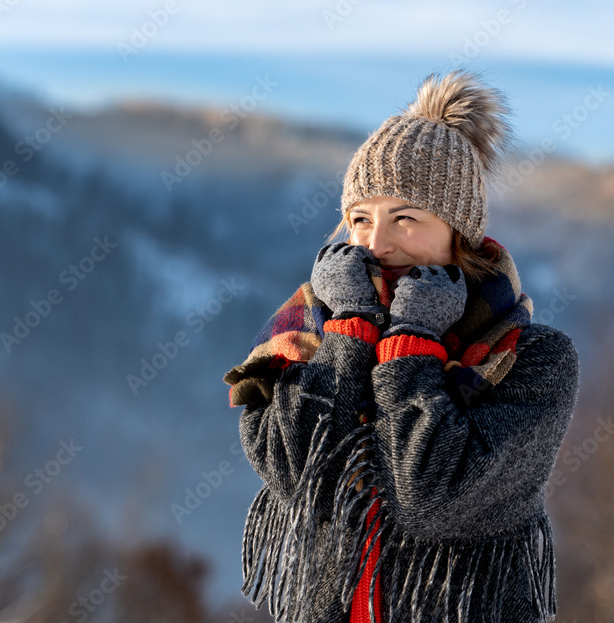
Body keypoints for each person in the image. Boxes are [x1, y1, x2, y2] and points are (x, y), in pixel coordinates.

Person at [223, 69, 580, 623]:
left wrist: (410, 346)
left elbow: (432, 502)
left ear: (459, 234)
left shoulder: (532, 362)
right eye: (359, 219)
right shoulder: (300, 341)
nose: (375, 243)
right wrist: (350, 335)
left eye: (405, 219)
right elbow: (303, 480)